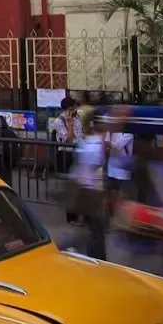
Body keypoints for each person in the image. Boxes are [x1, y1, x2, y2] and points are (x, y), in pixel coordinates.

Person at [65, 107, 107, 260]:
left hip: (88, 187)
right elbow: (95, 165)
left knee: (93, 228)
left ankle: (91, 254)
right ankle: (94, 257)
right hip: (91, 190)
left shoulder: (89, 141)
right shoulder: (94, 143)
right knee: (95, 228)